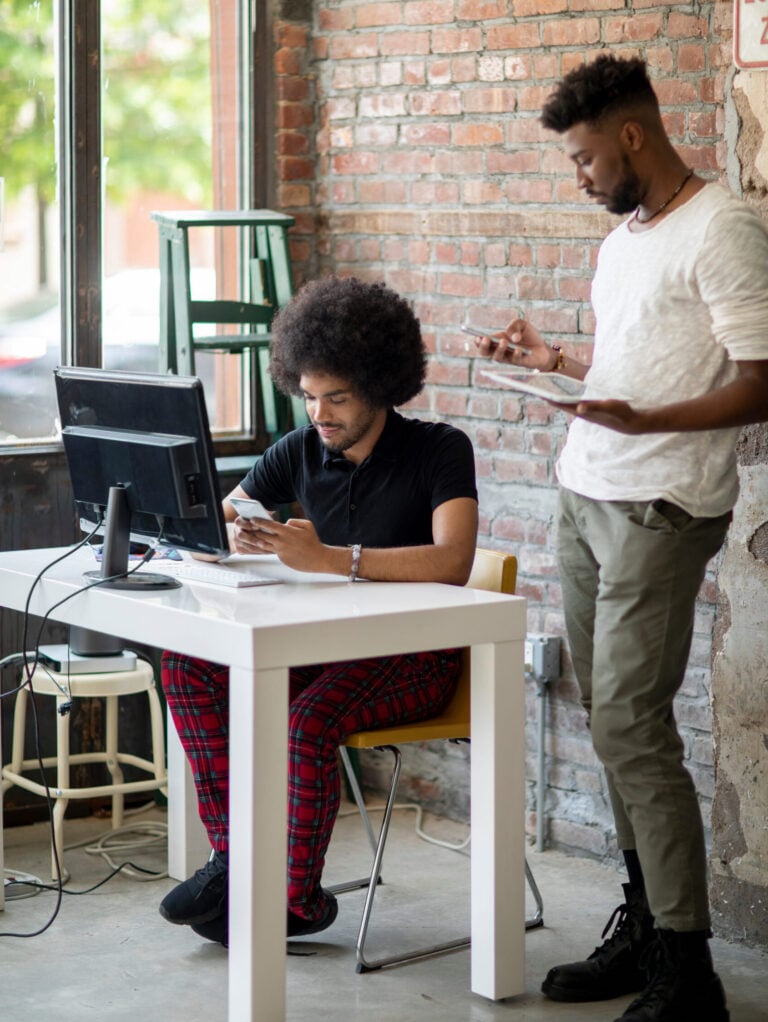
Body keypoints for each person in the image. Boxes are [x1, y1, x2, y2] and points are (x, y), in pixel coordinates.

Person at [473, 54, 768, 1022]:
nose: (581, 176)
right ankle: (645, 928)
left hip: (665, 503)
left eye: (585, 157)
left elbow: (760, 378)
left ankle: (688, 969)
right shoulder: (626, 237)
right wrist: (549, 360)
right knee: (609, 724)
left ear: (632, 136)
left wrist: (653, 424)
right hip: (585, 491)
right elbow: (628, 358)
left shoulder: (723, 227)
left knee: (631, 726)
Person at [159, 275, 479, 946]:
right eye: (308, 397)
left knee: (305, 722)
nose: (321, 414)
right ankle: (235, 862)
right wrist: (229, 540)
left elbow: (453, 559)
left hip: (420, 656)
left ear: (381, 385)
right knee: (188, 664)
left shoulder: (440, 450)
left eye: (337, 397)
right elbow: (214, 523)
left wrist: (332, 557)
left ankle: (294, 902)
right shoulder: (300, 451)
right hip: (329, 651)